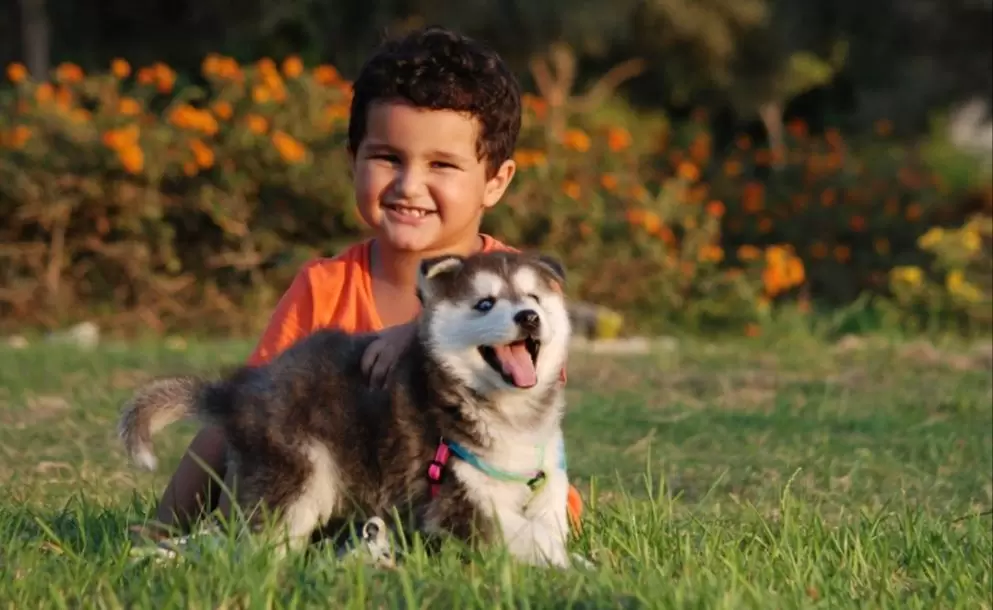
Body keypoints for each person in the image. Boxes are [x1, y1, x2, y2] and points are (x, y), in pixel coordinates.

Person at [152, 26, 584, 540]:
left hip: (490, 500)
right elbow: (256, 417)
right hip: (349, 495)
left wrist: (421, 336)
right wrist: (214, 530)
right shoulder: (325, 286)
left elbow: (527, 395)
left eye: (442, 164)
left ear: (495, 180)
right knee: (236, 416)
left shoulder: (523, 287)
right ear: (352, 158)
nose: (409, 185)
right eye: (387, 158)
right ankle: (170, 542)